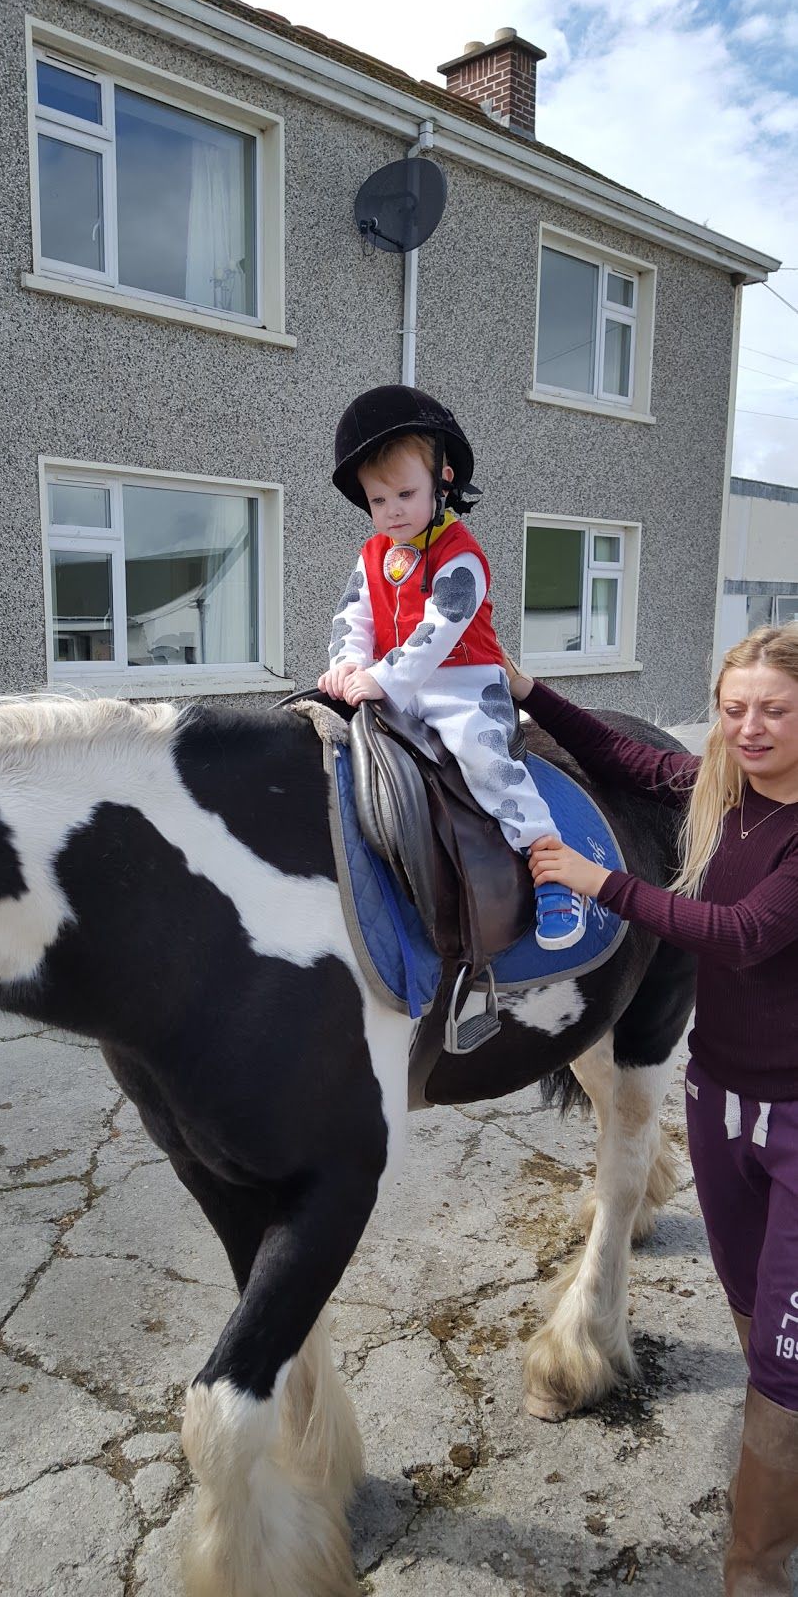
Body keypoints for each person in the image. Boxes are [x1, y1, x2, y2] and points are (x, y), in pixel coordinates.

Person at [505, 627, 798, 1597]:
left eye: (776, 709)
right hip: (717, 1106)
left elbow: (742, 933)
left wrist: (603, 886)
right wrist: (531, 690)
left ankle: (751, 1571)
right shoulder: (718, 786)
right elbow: (625, 757)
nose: (750, 727)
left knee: (784, 1366)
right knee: (757, 1325)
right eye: (735, 706)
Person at [319, 383, 585, 950]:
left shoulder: (460, 553)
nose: (391, 512)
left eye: (405, 494)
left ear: (442, 482)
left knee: (484, 762)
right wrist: (345, 666)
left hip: (463, 684)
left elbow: (441, 628)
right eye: (377, 501)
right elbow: (353, 618)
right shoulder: (372, 555)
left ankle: (552, 870)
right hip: (392, 685)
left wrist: (382, 677)